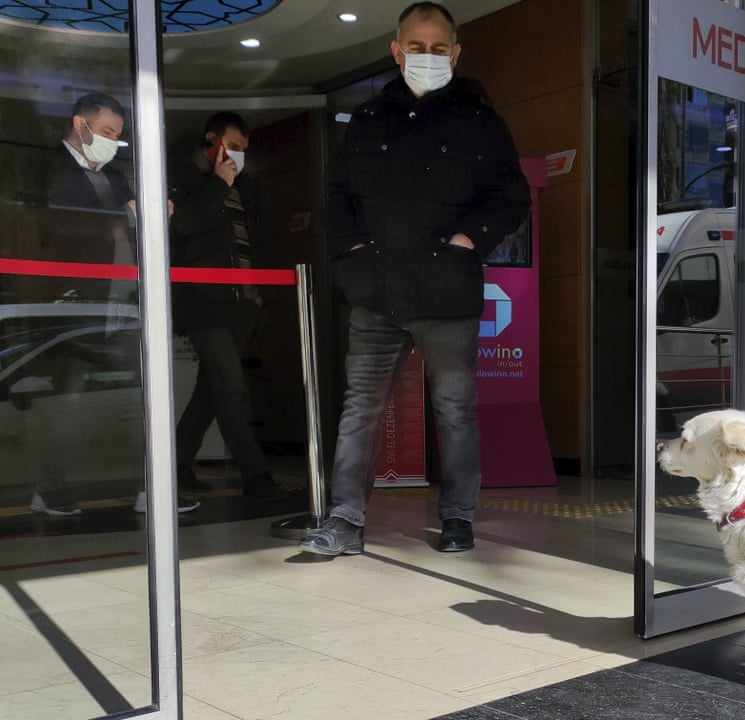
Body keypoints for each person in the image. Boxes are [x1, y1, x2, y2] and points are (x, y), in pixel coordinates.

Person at [300, 2, 529, 555]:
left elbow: (511, 195)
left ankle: (457, 518)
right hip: (375, 292)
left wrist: (467, 238)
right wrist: (351, 254)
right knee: (361, 408)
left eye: (438, 47)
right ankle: (345, 522)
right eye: (416, 46)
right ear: (397, 50)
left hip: (446, 292)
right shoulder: (368, 118)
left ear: (455, 52)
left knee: (455, 410)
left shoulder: (479, 121)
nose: (427, 56)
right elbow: (336, 198)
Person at [29, 93, 198, 515]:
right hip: (74, 304)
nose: (112, 142)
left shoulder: (118, 176)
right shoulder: (48, 167)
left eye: (118, 135)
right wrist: (124, 217)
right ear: (80, 125)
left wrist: (157, 214)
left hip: (123, 303)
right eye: (107, 132)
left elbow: (134, 228)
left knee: (142, 395)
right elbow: (55, 226)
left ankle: (150, 487)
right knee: (66, 399)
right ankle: (50, 486)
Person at [167, 111, 287, 501]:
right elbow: (183, 227)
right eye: (232, 147)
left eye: (243, 150)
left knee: (212, 391)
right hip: (205, 305)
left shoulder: (244, 187)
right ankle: (255, 476)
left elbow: (256, 240)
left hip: (241, 305)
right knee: (231, 390)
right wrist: (219, 184)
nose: (238, 156)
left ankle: (176, 465)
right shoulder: (185, 180)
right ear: (211, 142)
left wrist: (258, 292)